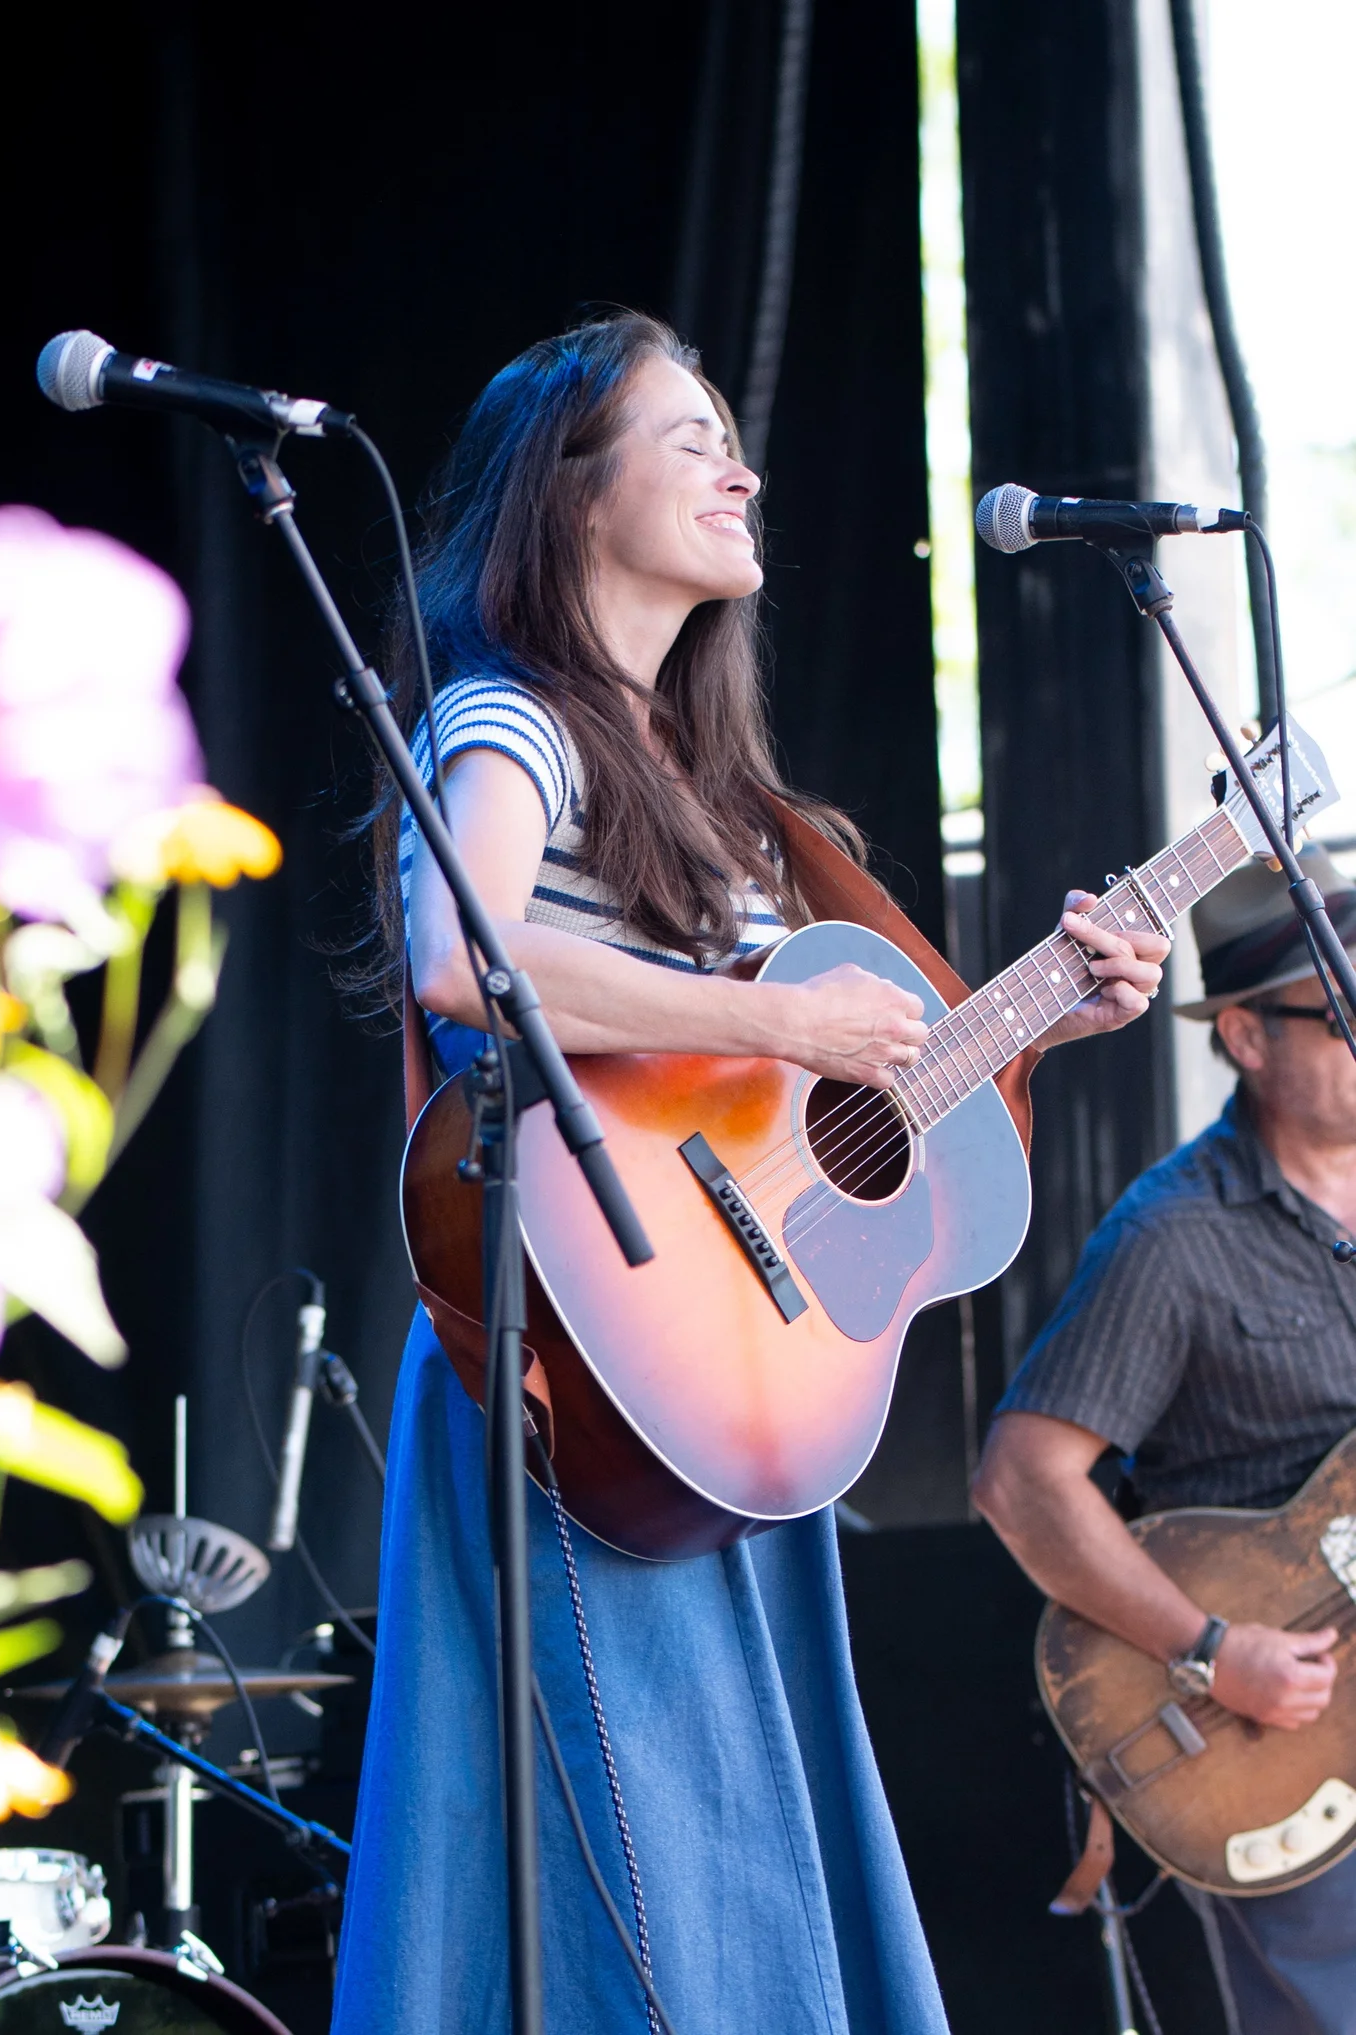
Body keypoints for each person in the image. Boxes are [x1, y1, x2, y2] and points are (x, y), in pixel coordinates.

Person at [330, 311, 1165, 2035]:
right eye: (689, 434)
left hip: (724, 1393)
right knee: (633, 1882)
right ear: (568, 499)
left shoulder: (727, 807)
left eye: (736, 436)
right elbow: (461, 952)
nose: (743, 467)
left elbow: (813, 1116)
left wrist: (1048, 1022)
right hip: (573, 1373)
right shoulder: (514, 722)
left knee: (733, 1869)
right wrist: (776, 1027)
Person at [974, 847, 1356, 2035]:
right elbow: (1022, 1480)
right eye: (1344, 1009)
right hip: (1272, 1731)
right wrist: (1209, 1648)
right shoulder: (1172, 1240)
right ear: (1246, 1037)